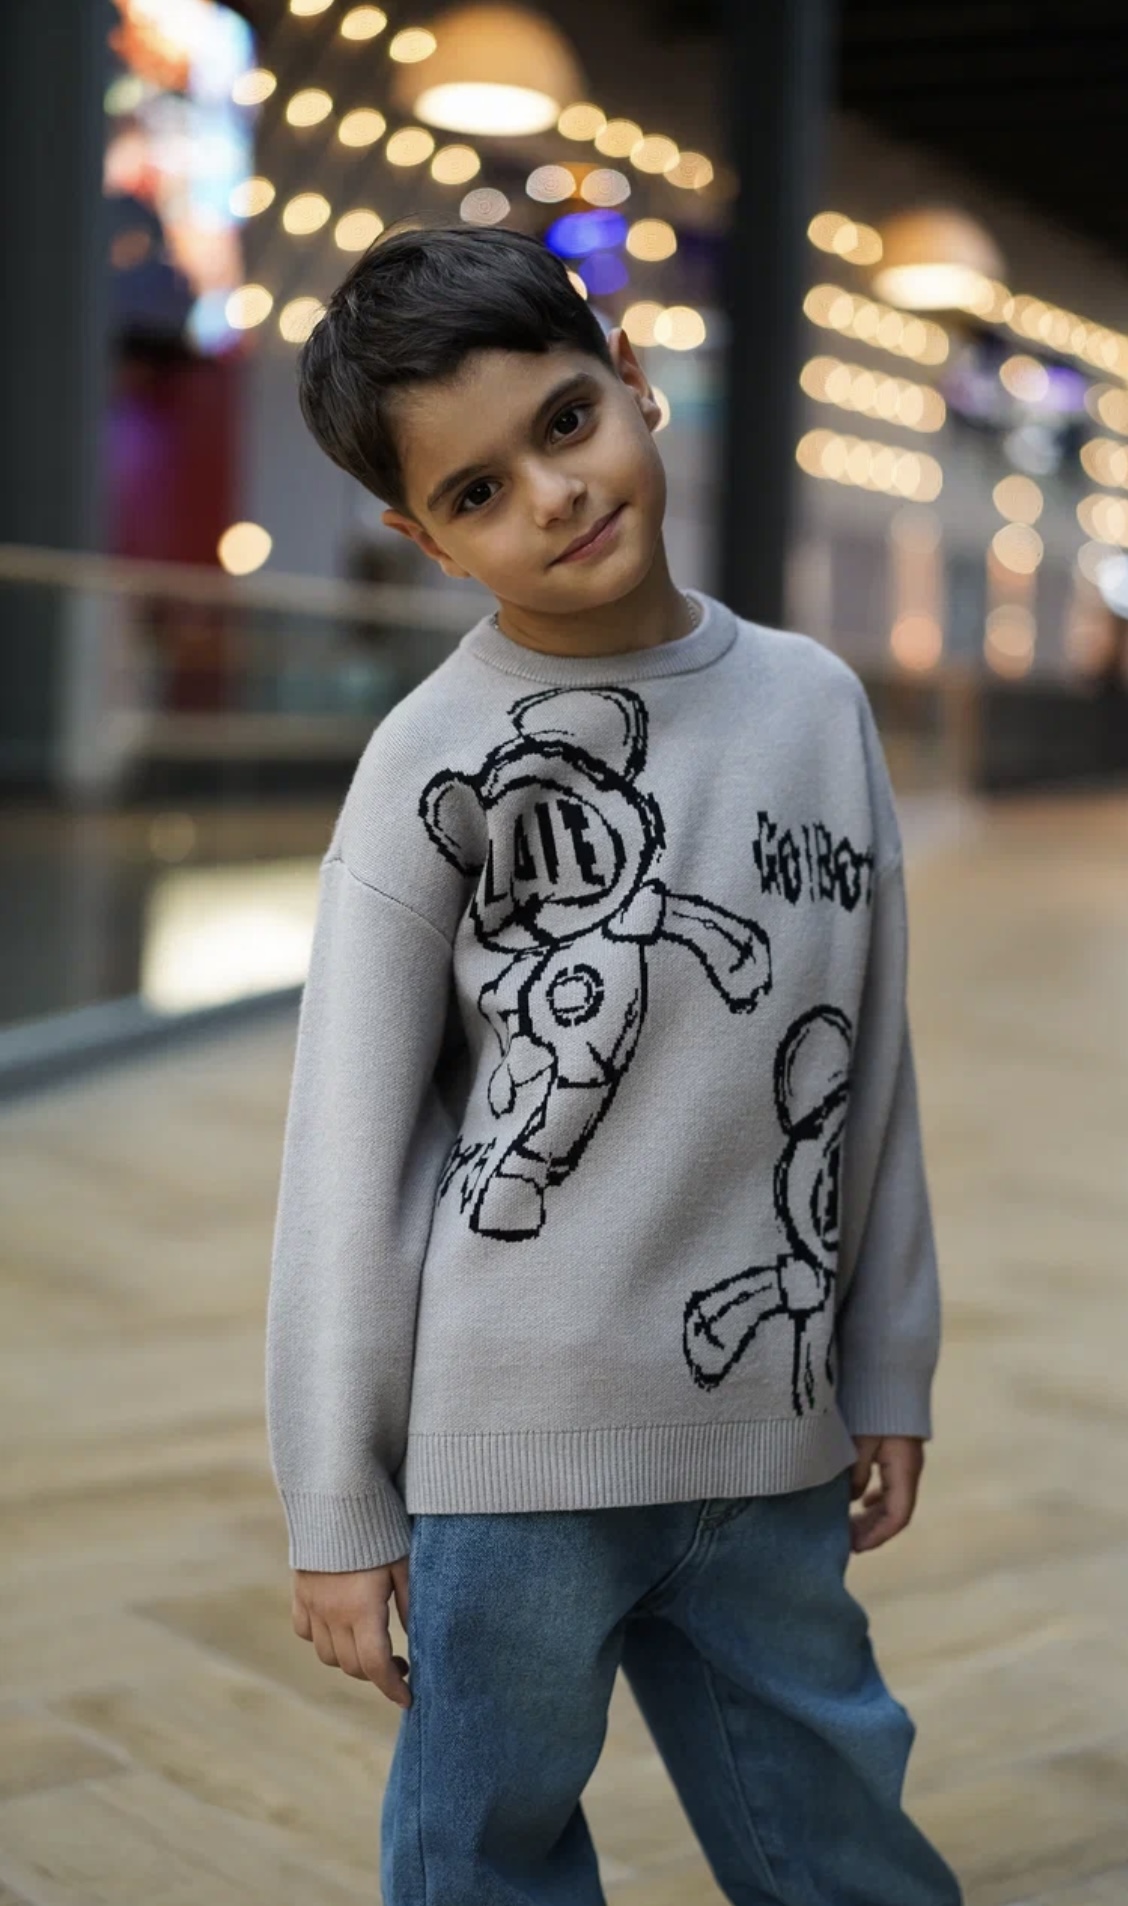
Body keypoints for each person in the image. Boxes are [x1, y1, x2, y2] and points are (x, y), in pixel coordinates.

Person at [265, 224, 962, 1906]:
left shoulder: (815, 705)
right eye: (478, 490)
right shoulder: (425, 764)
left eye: (565, 422)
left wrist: (888, 1362)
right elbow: (345, 1162)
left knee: (837, 1833)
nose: (553, 495)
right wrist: (338, 1500)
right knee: (484, 1855)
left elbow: (868, 1073)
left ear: (634, 380)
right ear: (422, 537)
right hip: (512, 1464)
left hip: (770, 1432)